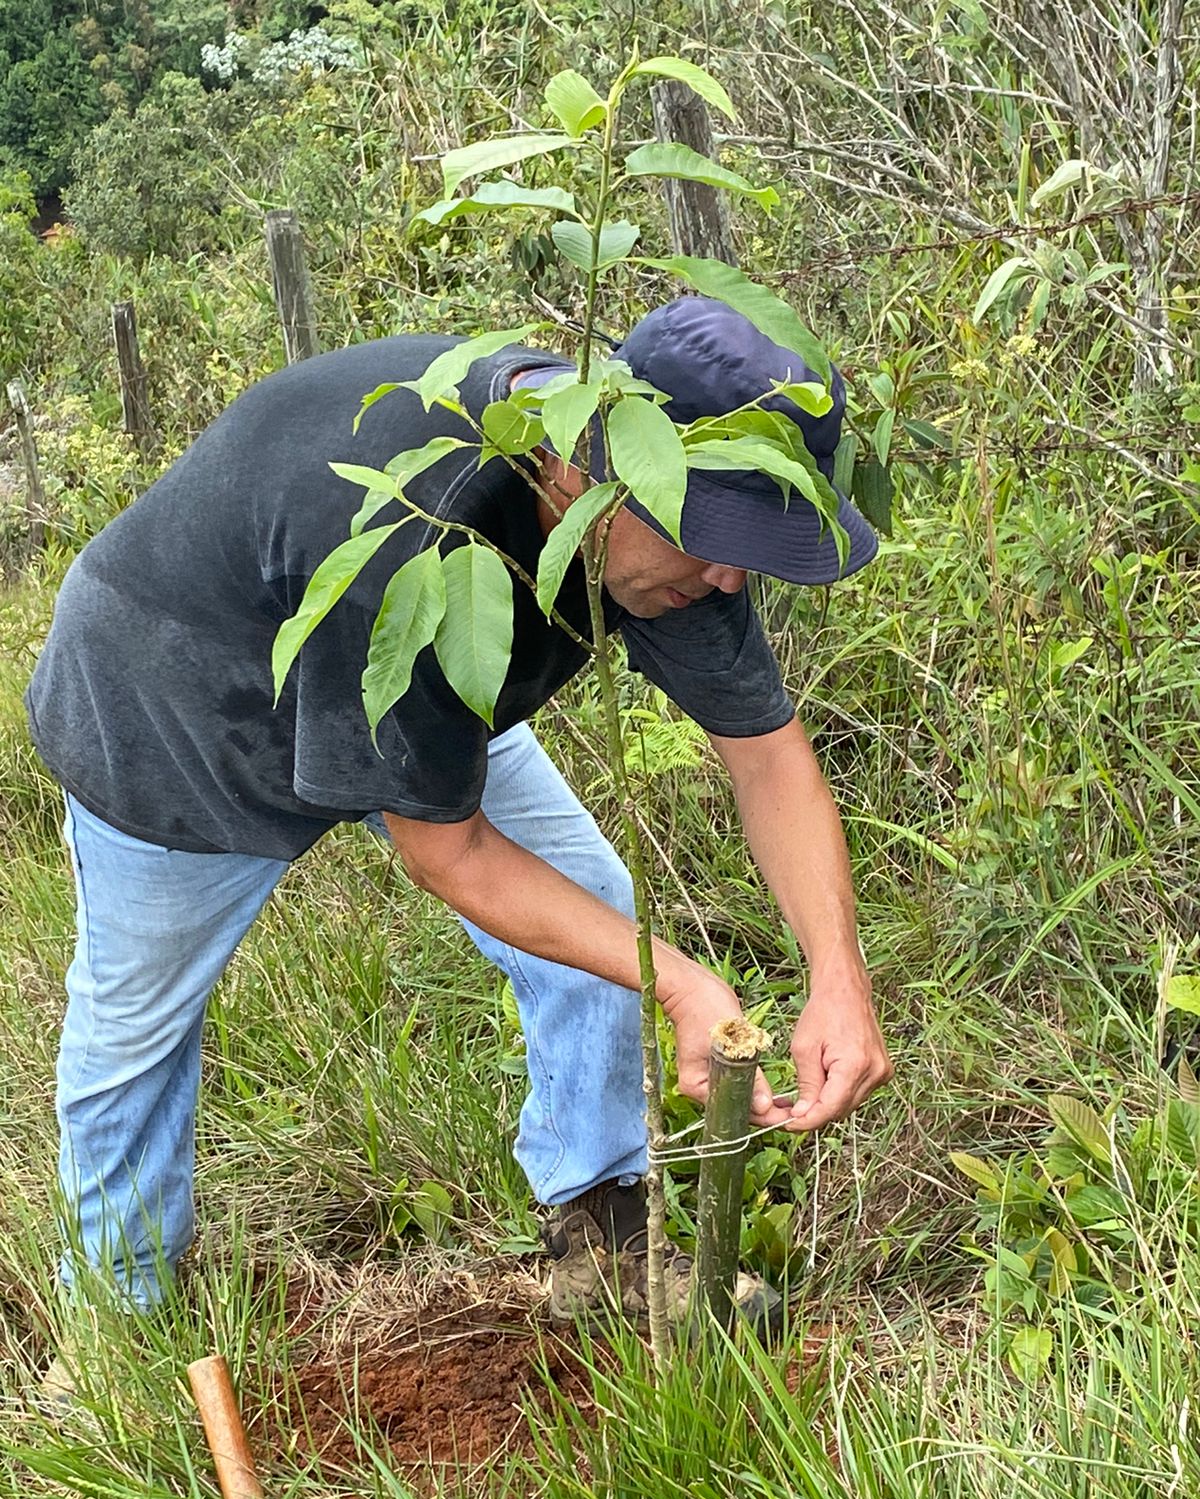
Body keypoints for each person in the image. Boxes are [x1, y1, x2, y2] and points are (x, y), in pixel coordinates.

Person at [25, 295, 894, 1359]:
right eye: (715, 536)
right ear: (584, 468)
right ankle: (120, 1335)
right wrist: (680, 979)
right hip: (178, 693)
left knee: (592, 912)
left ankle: (598, 1231)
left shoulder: (666, 519)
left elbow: (770, 761)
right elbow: (450, 852)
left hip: (427, 683)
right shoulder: (426, 525)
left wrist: (839, 977)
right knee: (138, 1031)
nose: (730, 577)